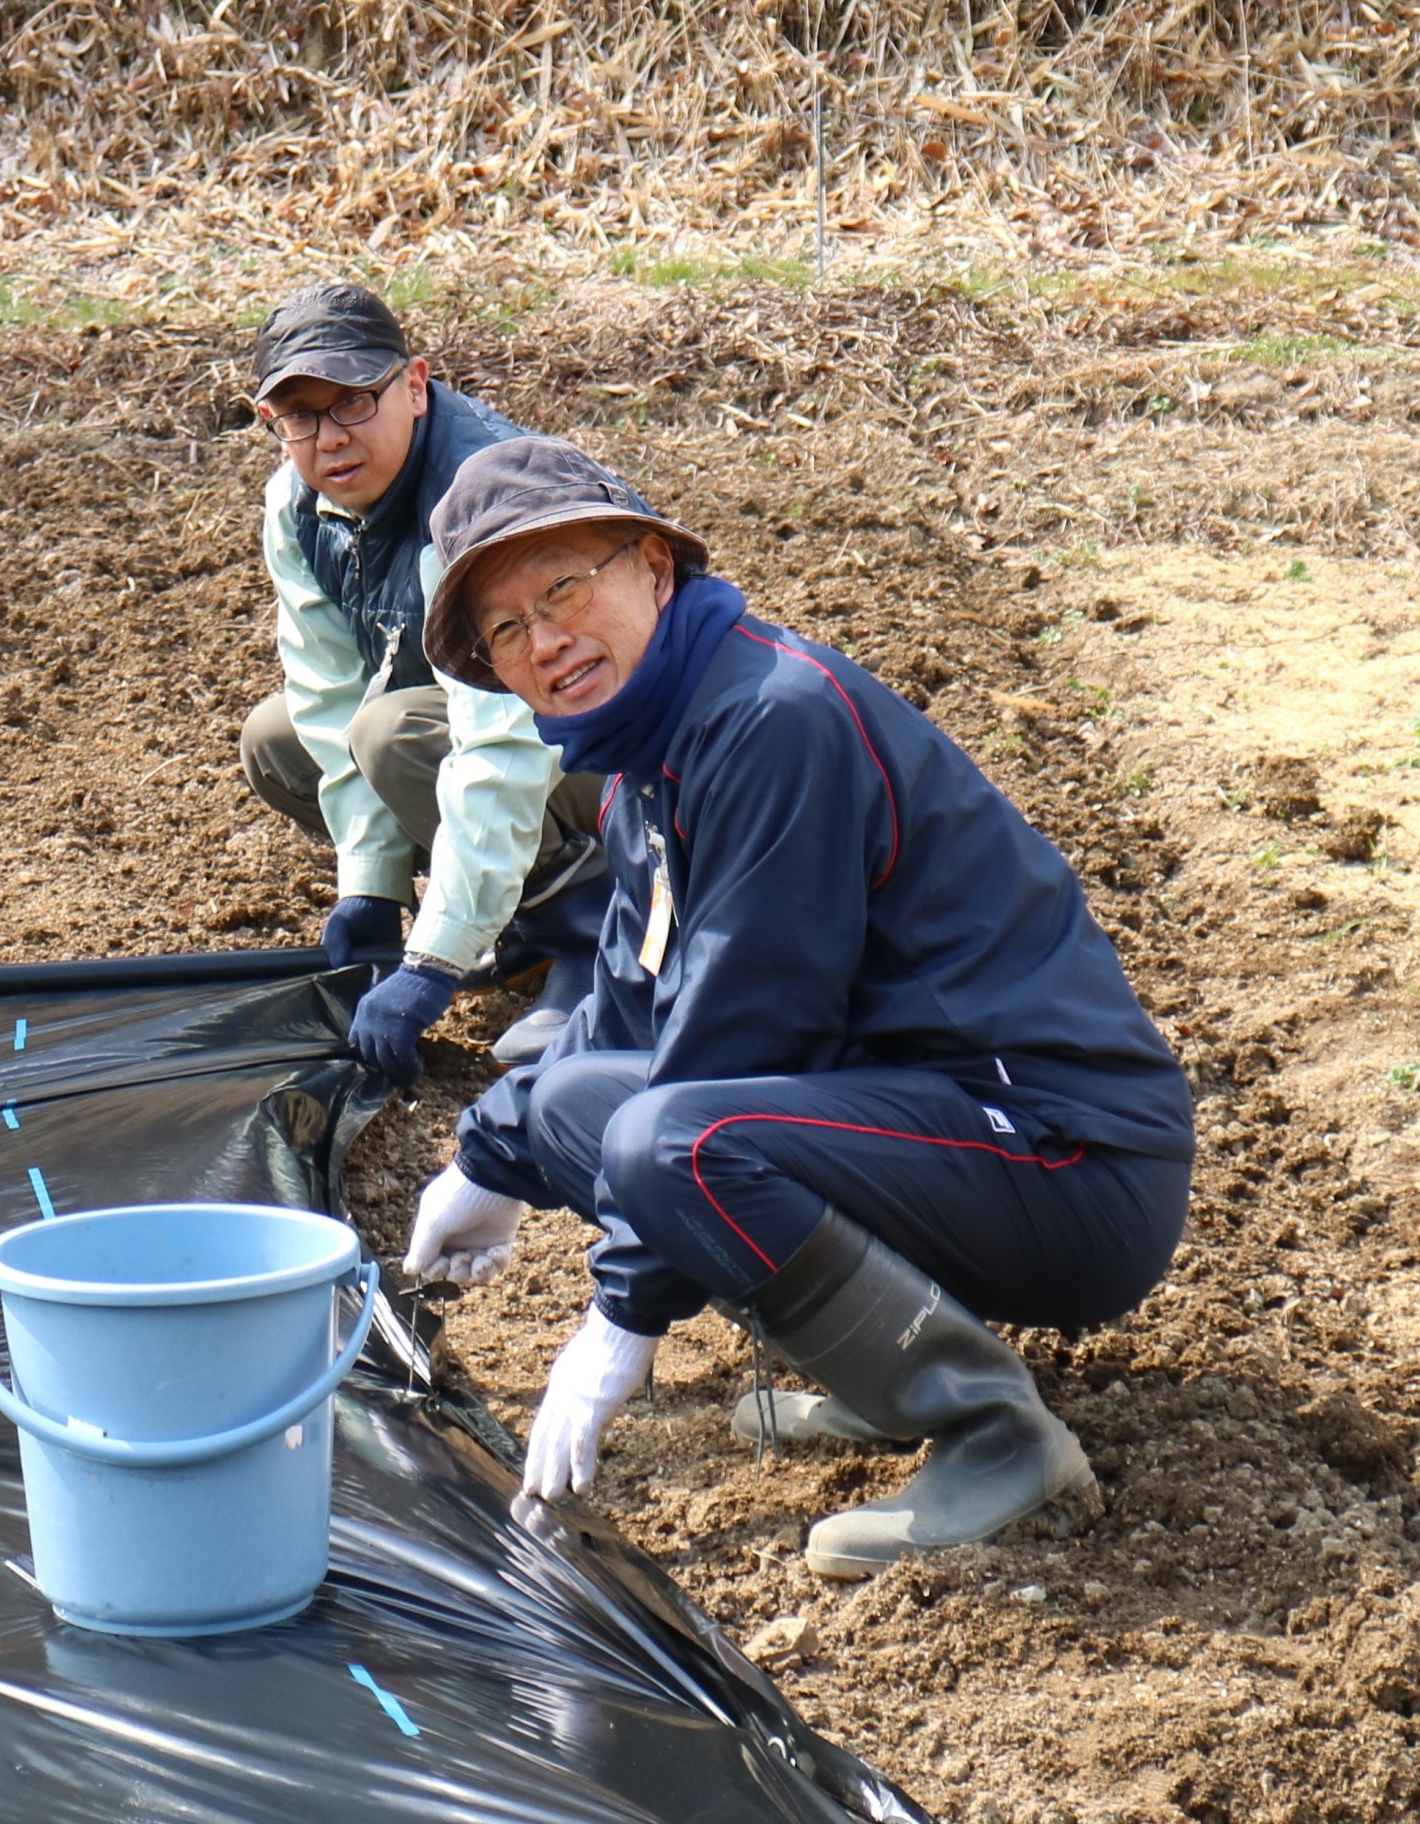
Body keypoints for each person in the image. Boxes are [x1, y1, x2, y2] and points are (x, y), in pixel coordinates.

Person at [398, 437, 1194, 1579]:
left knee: (676, 1142)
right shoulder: (647, 766)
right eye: (507, 630)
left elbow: (741, 1037)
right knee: (578, 1103)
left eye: (562, 588)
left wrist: (621, 1317)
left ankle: (993, 1432)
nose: (545, 641)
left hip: (1069, 1159)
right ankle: (885, 1368)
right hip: (930, 1127)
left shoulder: (772, 718)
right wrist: (490, 1163)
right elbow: (621, 1017)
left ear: (654, 570)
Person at [239, 285, 635, 1078]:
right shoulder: (298, 506)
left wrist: (433, 965)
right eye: (300, 418)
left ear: (415, 386)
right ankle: (517, 916)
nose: (330, 438)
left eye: (353, 402)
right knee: (279, 740)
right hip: (514, 730)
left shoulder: (478, 497)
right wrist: (371, 889)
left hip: (636, 756)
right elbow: (327, 694)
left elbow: (504, 744)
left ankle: (595, 944)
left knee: (393, 736)